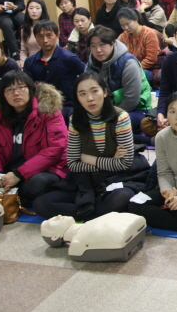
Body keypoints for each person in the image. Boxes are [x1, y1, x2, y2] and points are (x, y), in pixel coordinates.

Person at [32, 73, 145, 220]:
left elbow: (124, 164)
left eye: (94, 91)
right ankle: (97, 214)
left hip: (116, 178)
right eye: (82, 94)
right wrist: (110, 161)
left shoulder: (120, 117)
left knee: (121, 197)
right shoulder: (75, 119)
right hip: (85, 180)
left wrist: (88, 159)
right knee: (41, 203)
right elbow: (73, 164)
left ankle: (87, 212)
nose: (90, 98)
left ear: (105, 92)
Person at [0, 71, 67, 207]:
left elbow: (55, 150)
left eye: (21, 87)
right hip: (9, 170)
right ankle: (14, 197)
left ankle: (3, 197)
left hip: (43, 169)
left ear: (30, 89)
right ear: (3, 94)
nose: (16, 93)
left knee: (38, 183)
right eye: (9, 90)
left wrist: (19, 175)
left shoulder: (49, 112)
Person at [127, 91, 177, 234]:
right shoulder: (162, 137)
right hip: (176, 189)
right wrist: (169, 192)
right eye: (172, 112)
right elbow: (164, 172)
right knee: (135, 204)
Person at [85, 26, 152, 133]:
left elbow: (131, 100)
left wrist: (108, 115)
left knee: (114, 124)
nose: (98, 50)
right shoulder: (91, 63)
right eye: (93, 46)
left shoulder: (128, 63)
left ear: (112, 43)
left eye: (102, 45)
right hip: (103, 109)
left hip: (135, 109)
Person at [23, 21, 87, 111]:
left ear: (57, 35)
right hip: (40, 108)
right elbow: (28, 88)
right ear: (36, 38)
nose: (45, 40)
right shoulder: (30, 62)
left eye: (49, 35)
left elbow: (87, 74)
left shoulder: (69, 58)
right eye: (40, 36)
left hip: (67, 106)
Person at [118, 8, 161, 83]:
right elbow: (116, 50)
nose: (125, 28)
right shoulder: (124, 35)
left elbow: (151, 59)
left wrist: (134, 68)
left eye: (127, 24)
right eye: (122, 25)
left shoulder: (149, 34)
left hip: (148, 69)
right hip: (130, 68)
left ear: (136, 19)